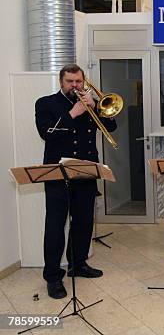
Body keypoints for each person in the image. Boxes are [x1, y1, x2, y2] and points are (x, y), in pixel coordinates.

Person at [35, 64, 117, 299]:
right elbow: (46, 133)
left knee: (83, 222)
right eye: (70, 81)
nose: (75, 86)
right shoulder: (46, 103)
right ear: (61, 82)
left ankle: (78, 264)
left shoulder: (92, 103)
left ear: (84, 81)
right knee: (55, 225)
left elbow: (112, 126)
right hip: (57, 173)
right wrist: (74, 113)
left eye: (78, 81)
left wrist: (96, 109)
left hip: (86, 171)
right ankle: (52, 276)